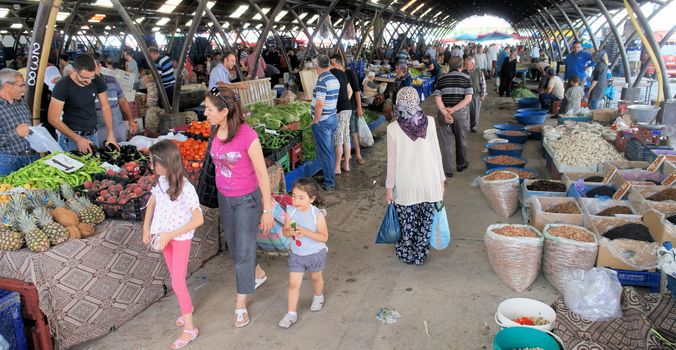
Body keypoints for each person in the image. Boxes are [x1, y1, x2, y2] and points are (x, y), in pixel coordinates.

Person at [203, 87, 273, 328]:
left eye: (209, 109)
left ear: (224, 111)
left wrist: (268, 209)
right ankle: (258, 273)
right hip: (225, 198)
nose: (205, 113)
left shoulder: (247, 136)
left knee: (242, 253)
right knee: (234, 247)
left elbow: (263, 175)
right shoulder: (215, 131)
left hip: (247, 201)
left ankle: (240, 304)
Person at [142, 140, 204, 349]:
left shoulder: (186, 188)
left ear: (166, 162)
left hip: (179, 239)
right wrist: (146, 230)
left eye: (154, 162)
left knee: (177, 282)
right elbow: (151, 205)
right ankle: (187, 308)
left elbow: (198, 220)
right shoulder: (160, 181)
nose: (152, 167)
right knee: (175, 278)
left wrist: (171, 235)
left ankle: (189, 329)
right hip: (163, 237)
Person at [386, 87, 445, 265]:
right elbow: (437, 153)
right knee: (425, 222)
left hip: (406, 184)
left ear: (399, 102)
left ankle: (407, 254)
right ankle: (420, 254)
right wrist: (441, 180)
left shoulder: (393, 128)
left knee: (406, 223)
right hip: (430, 182)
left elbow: (392, 163)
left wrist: (389, 188)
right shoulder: (431, 122)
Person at [278, 178, 329, 328]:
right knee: (294, 284)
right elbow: (285, 231)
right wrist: (290, 231)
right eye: (294, 196)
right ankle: (291, 314)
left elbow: (324, 237)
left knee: (315, 278)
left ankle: (318, 296)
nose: (296, 201)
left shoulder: (317, 215)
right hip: (297, 254)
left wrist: (305, 232)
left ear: (312, 199)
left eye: (301, 197)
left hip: (315, 254)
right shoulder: (291, 211)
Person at [48, 54, 116, 153]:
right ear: (75, 70)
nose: (88, 81)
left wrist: (110, 134)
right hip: (71, 139)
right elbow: (52, 118)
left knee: (94, 166)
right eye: (84, 78)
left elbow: (105, 106)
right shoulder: (62, 86)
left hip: (93, 135)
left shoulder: (96, 80)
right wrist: (78, 139)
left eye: (91, 77)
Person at [434, 56, 473, 177]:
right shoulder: (467, 78)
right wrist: (454, 109)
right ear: (461, 67)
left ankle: (448, 170)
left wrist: (445, 112)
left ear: (449, 66)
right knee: (461, 139)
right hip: (460, 113)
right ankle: (461, 164)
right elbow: (468, 98)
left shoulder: (441, 79)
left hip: (444, 112)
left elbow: (438, 98)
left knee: (445, 142)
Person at [0, 69, 39, 176]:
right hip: (8, 162)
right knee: (8, 191)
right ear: (8, 86)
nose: (24, 89)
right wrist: (16, 133)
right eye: (21, 85)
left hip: (32, 157)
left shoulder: (21, 102)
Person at [310, 55, 340, 191]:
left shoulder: (322, 81)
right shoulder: (334, 78)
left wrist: (315, 120)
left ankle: (329, 182)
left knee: (326, 153)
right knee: (329, 151)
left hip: (323, 121)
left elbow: (320, 104)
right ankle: (329, 176)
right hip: (333, 117)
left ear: (317, 66)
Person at [93, 60, 137, 145]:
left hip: (118, 126)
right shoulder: (86, 84)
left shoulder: (112, 81)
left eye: (93, 67)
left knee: (121, 151)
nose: (91, 70)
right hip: (99, 129)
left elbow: (123, 101)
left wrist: (131, 120)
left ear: (99, 66)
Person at [329, 55, 353, 175]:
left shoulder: (330, 74)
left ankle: (337, 167)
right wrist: (345, 101)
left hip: (339, 111)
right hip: (348, 109)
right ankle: (346, 165)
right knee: (346, 137)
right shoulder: (343, 74)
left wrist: (338, 106)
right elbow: (350, 91)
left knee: (338, 140)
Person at [343, 59, 366, 166]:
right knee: (343, 133)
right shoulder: (334, 74)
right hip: (340, 109)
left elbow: (356, 91)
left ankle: (358, 154)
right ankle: (345, 156)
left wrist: (359, 108)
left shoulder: (350, 73)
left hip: (351, 107)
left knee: (353, 132)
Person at [462, 56, 487, 133]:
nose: (465, 65)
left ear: (472, 64)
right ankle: (465, 127)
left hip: (476, 95)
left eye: (467, 64)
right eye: (465, 64)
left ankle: (473, 127)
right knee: (464, 112)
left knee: (475, 112)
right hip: (465, 95)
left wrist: (482, 95)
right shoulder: (463, 72)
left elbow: (483, 84)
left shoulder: (479, 72)